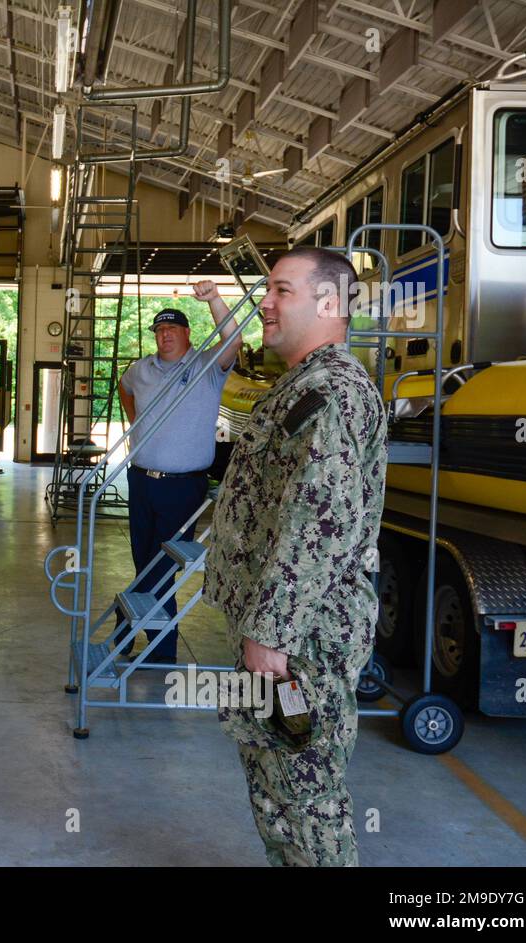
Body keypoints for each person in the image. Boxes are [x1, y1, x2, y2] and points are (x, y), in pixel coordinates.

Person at [203, 247, 387, 867]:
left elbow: (320, 523)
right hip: (280, 633)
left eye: (283, 290)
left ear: (330, 303)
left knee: (305, 796)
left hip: (300, 641)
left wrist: (271, 634)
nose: (267, 302)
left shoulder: (331, 392)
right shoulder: (301, 385)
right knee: (276, 785)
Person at [115, 287, 239, 661]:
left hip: (183, 487)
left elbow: (234, 338)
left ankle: (145, 641)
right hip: (141, 480)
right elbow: (124, 387)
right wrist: (136, 422)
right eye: (159, 330)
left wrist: (215, 299)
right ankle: (145, 639)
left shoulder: (207, 367)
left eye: (172, 329)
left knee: (161, 565)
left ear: (187, 333)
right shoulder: (141, 369)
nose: (164, 335)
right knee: (144, 560)